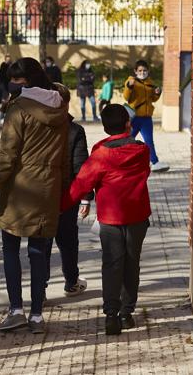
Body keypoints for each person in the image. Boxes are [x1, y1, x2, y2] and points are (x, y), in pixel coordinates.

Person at [0, 58, 70, 335]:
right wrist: (64, 187)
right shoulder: (60, 106)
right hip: (48, 187)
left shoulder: (18, 109)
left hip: (19, 190)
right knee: (39, 251)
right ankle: (37, 315)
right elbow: (65, 154)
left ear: (27, 81)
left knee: (10, 247)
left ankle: (16, 310)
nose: (14, 85)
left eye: (17, 80)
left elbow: (7, 157)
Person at [61, 104, 151, 336]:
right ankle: (127, 313)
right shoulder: (142, 151)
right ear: (128, 124)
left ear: (104, 127)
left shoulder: (100, 154)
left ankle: (111, 314)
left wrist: (59, 207)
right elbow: (145, 173)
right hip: (137, 216)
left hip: (111, 219)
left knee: (112, 265)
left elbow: (80, 185)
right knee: (132, 264)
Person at [54, 117, 91, 298]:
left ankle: (39, 291)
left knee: (40, 243)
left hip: (39, 195)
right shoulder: (74, 130)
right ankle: (71, 282)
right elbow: (81, 167)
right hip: (67, 196)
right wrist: (85, 197)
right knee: (68, 240)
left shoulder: (32, 123)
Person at [123, 60, 169, 173]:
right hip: (134, 118)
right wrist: (129, 87)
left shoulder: (150, 83)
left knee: (149, 141)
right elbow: (126, 97)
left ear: (148, 71)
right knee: (127, 140)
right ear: (135, 71)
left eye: (144, 70)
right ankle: (122, 161)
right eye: (140, 70)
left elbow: (153, 99)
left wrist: (157, 93)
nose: (142, 72)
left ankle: (155, 162)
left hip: (146, 118)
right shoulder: (131, 81)